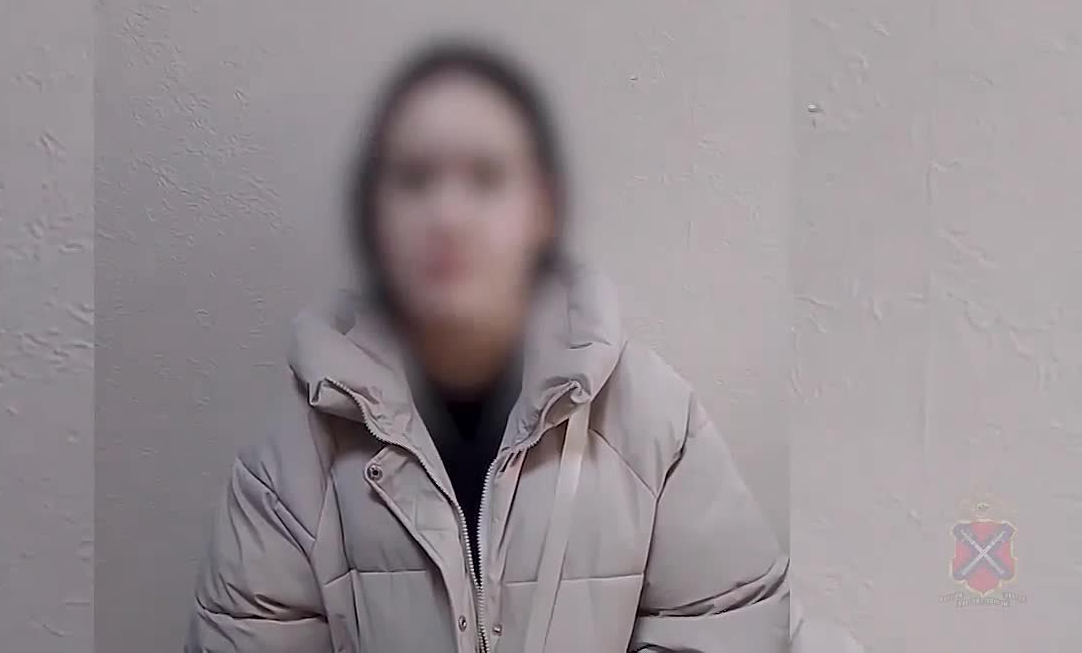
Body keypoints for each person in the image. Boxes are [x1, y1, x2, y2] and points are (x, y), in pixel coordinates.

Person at [185, 39, 790, 653]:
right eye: (414, 179)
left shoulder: (653, 419)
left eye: (487, 177)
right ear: (373, 214)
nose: (448, 216)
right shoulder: (291, 457)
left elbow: (731, 622)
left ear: (542, 209)